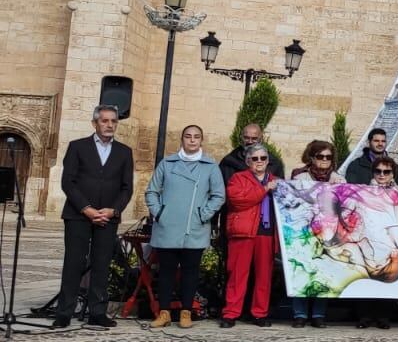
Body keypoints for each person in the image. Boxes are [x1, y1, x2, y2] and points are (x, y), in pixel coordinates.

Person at [54, 105, 134, 328]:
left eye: (113, 121)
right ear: (95, 123)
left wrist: (113, 210)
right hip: (78, 215)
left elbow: (127, 188)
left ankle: (97, 312)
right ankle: (64, 312)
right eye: (105, 121)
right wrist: (86, 209)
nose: (109, 125)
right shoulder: (78, 147)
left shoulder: (124, 152)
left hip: (108, 217)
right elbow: (68, 182)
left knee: (102, 263)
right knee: (73, 263)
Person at [145, 124, 225, 329]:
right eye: (188, 136)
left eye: (196, 137)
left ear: (201, 140)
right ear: (182, 139)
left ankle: (186, 312)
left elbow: (218, 195)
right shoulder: (167, 163)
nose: (192, 140)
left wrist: (203, 214)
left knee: (190, 271)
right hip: (168, 225)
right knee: (166, 271)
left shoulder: (210, 167)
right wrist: (159, 212)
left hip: (194, 226)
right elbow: (151, 191)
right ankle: (164, 313)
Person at [288, 139, 346, 327]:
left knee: (323, 272)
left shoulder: (339, 180)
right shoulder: (299, 179)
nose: (324, 160)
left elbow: (344, 206)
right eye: (320, 156)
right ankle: (300, 314)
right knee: (302, 270)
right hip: (304, 232)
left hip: (327, 233)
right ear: (312, 157)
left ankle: (319, 314)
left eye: (328, 157)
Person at [222, 146, 279, 328]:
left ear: (268, 160)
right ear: (248, 162)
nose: (259, 161)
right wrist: (264, 189)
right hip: (244, 232)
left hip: (267, 233)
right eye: (255, 158)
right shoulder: (238, 178)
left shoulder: (277, 181)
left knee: (264, 276)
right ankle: (231, 313)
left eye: (263, 157)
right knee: (238, 274)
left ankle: (260, 313)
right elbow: (238, 199)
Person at [355, 156, 398, 329]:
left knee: (386, 278)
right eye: (378, 171)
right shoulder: (364, 191)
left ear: (392, 174)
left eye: (386, 171)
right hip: (368, 238)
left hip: (389, 240)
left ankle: (383, 317)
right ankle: (365, 317)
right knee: (367, 277)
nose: (382, 175)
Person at [218, 122, 286, 183]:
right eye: (246, 138)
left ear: (261, 139)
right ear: (241, 137)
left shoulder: (274, 163)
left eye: (254, 138)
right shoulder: (229, 161)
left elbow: (280, 188)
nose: (250, 142)